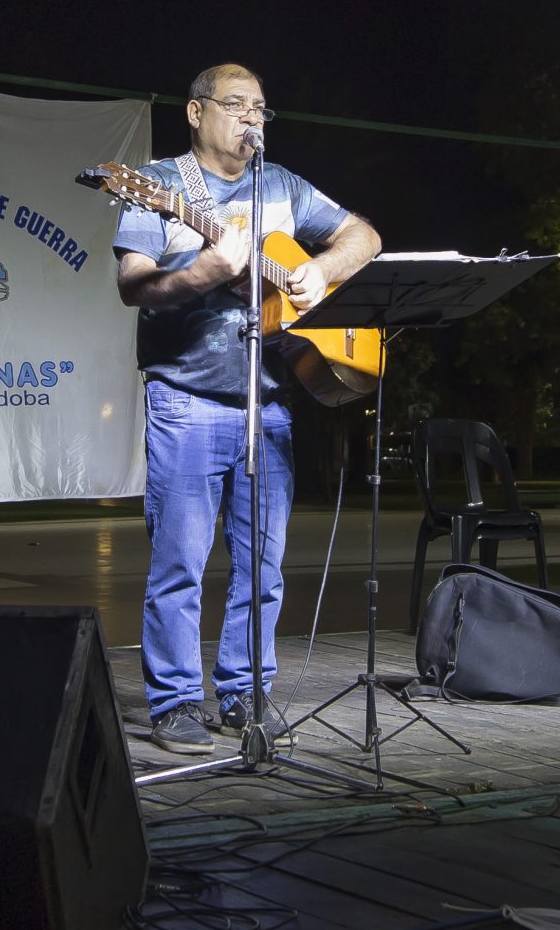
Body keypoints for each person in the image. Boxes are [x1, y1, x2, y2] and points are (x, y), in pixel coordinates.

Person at [113, 64, 382, 754]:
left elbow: (365, 236)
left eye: (260, 108)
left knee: (262, 565)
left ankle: (245, 691)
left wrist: (320, 270)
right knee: (180, 562)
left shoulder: (283, 186)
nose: (250, 119)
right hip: (186, 399)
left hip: (271, 404)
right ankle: (176, 701)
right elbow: (133, 285)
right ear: (195, 112)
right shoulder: (158, 184)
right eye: (236, 105)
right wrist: (203, 272)